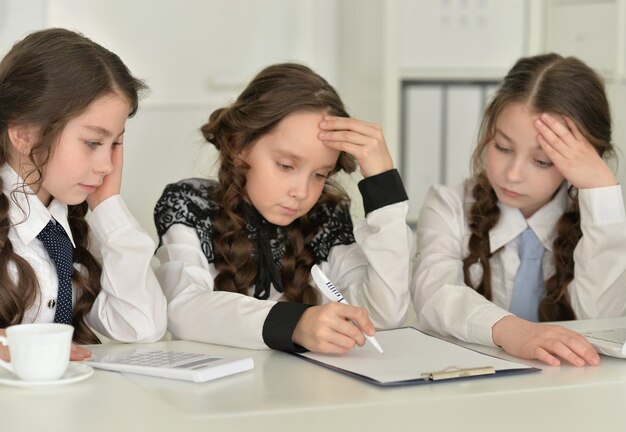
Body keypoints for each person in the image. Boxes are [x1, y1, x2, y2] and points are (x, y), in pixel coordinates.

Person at [154, 63, 412, 353]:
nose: (301, 193)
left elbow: (384, 316)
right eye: (286, 165)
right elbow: (183, 308)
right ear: (239, 144)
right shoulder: (190, 204)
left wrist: (384, 187)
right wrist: (295, 323)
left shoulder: (325, 218)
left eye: (320, 174)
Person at [412, 53, 626, 366]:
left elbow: (601, 319)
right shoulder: (449, 205)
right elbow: (435, 294)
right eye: (502, 147)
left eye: (542, 161)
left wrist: (599, 188)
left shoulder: (605, 221)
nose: (513, 174)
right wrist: (513, 332)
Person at [0, 28, 167, 361]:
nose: (107, 165)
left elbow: (141, 325)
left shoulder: (75, 231)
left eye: (115, 144)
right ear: (23, 133)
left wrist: (108, 206)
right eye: (93, 143)